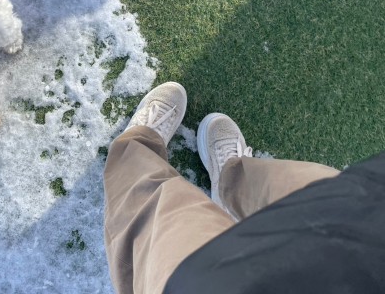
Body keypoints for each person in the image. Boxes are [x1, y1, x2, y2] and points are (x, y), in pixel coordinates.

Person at [104, 82, 385, 294]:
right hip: (368, 225)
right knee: (289, 189)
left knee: (155, 221)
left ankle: (136, 148)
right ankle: (232, 178)